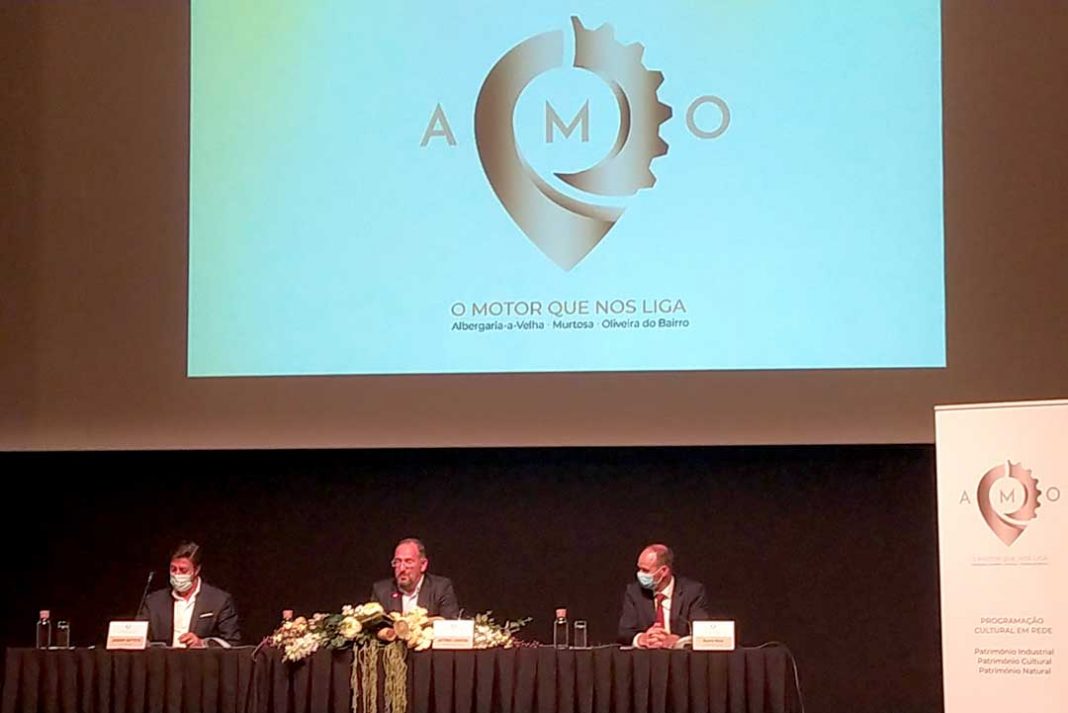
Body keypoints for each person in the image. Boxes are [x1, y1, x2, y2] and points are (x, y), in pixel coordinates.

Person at [137, 541, 241, 647]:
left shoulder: (219, 601)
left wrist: (202, 644)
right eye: (173, 569)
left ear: (196, 570)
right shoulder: (153, 601)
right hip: (163, 657)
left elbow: (232, 642)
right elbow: (138, 637)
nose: (177, 574)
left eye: (183, 570)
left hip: (200, 657)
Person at [617, 543, 710, 648]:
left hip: (680, 656)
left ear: (664, 571)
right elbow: (624, 632)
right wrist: (641, 639)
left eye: (645, 570)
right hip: (645, 656)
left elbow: (702, 633)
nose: (639, 574)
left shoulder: (692, 592)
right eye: (639, 569)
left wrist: (678, 641)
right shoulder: (634, 592)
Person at [370, 538, 460, 618]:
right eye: (397, 562)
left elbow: (450, 625)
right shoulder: (381, 591)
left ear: (423, 565)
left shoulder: (441, 588)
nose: (402, 568)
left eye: (408, 562)